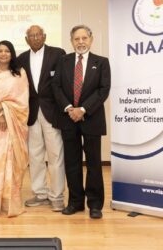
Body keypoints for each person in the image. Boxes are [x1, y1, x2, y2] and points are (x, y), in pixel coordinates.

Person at [52, 25, 111, 219]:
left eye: (84, 38)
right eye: (76, 39)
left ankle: (95, 204)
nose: (81, 42)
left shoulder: (101, 62)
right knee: (72, 162)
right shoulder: (63, 61)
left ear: (91, 40)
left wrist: (83, 109)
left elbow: (103, 90)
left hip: (92, 118)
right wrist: (69, 108)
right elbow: (56, 87)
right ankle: (75, 202)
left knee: (94, 163)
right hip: (68, 119)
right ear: (71, 41)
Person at [17, 25, 66, 212]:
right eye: (31, 35)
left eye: (38, 35)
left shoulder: (58, 54)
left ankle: (57, 195)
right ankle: (40, 193)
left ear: (44, 36)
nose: (35, 38)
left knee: (55, 155)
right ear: (26, 39)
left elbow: (64, 81)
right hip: (31, 113)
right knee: (35, 156)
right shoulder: (21, 58)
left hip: (53, 112)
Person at [0, 40, 29, 217]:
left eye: (6, 51)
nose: (3, 54)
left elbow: (23, 101)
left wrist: (8, 114)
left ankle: (10, 201)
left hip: (15, 123)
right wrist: (0, 115)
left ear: (12, 53)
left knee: (12, 161)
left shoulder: (20, 73)